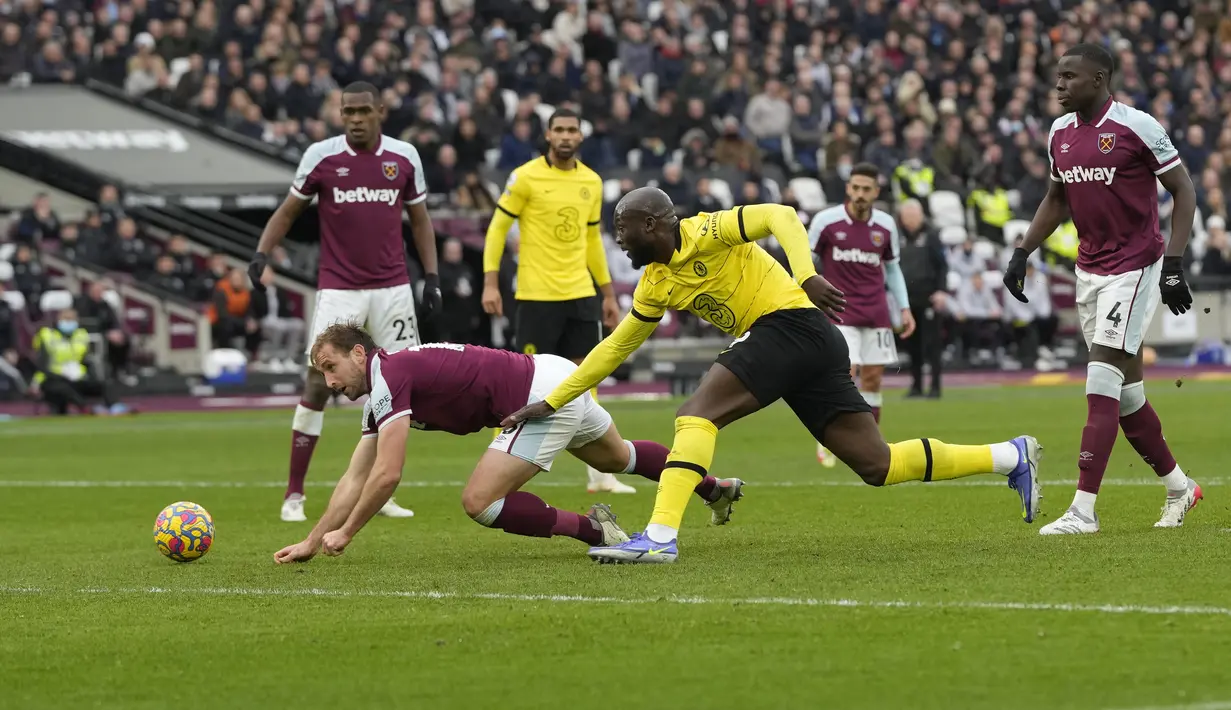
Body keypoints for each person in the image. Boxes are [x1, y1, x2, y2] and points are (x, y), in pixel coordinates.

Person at [503, 189, 1043, 564]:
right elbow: (614, 347)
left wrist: (805, 274)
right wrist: (553, 401)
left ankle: (660, 536)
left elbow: (781, 215)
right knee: (878, 464)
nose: (618, 240)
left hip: (792, 325)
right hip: (808, 345)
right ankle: (1010, 455)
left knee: (694, 415)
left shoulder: (706, 231)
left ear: (652, 224)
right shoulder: (653, 284)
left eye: (622, 228)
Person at [272, 322, 743, 564]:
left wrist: (347, 533)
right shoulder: (383, 386)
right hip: (557, 375)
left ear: (359, 353)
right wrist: (313, 540)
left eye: (331, 367)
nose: (329, 381)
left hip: (537, 399)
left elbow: (386, 474)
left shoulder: (387, 377)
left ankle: (599, 532)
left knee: (479, 500)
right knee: (623, 457)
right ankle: (712, 488)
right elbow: (356, 474)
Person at [1003, 43, 1201, 535]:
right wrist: (1022, 251)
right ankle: (1180, 488)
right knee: (1127, 393)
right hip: (1090, 268)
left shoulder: (1138, 126)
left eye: (1069, 76)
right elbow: (1056, 199)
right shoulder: (1059, 133)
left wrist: (1173, 261)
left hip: (1135, 266)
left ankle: (1082, 510)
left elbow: (1184, 189)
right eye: (1057, 76)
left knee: (1099, 378)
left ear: (1099, 79)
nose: (1059, 85)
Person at [247, 81, 443, 523]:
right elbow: (288, 210)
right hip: (339, 288)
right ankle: (294, 494)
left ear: (380, 111)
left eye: (363, 111)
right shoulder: (322, 156)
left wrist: (431, 277)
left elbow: (421, 220)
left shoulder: (403, 157)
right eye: (347, 111)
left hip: (393, 289)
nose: (355, 119)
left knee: (396, 387)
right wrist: (261, 254)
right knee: (318, 381)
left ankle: (383, 491)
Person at [480, 108, 632, 495]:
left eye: (572, 130)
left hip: (580, 293)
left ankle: (600, 476)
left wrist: (607, 293)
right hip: (536, 294)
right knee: (522, 384)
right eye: (559, 130)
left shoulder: (592, 181)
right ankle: (498, 464)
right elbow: (498, 228)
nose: (565, 136)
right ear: (548, 135)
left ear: (580, 137)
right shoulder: (526, 177)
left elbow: (592, 240)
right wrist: (491, 282)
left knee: (587, 378)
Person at [808, 163, 916, 467]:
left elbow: (892, 268)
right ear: (848, 188)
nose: (860, 194)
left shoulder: (885, 226)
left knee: (873, 380)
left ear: (876, 192)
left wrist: (904, 307)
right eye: (855, 188)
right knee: (846, 372)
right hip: (839, 312)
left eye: (866, 189)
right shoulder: (826, 222)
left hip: (876, 313)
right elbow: (805, 261)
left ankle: (869, 444)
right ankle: (828, 438)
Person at [31, 307, 126, 415]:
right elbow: (42, 365)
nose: (69, 322)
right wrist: (61, 375)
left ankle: (116, 407)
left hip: (77, 376)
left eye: (72, 319)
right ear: (58, 320)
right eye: (66, 319)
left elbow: (86, 359)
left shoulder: (81, 335)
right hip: (53, 378)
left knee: (106, 384)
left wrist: (86, 373)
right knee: (62, 388)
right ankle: (86, 409)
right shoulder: (47, 335)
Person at [897, 199, 948, 397]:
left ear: (920, 216)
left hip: (929, 296)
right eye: (906, 216)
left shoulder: (931, 235)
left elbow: (942, 265)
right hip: (907, 300)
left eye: (912, 216)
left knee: (932, 343)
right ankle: (916, 385)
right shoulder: (898, 236)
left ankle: (935, 386)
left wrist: (941, 291)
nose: (909, 221)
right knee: (912, 344)